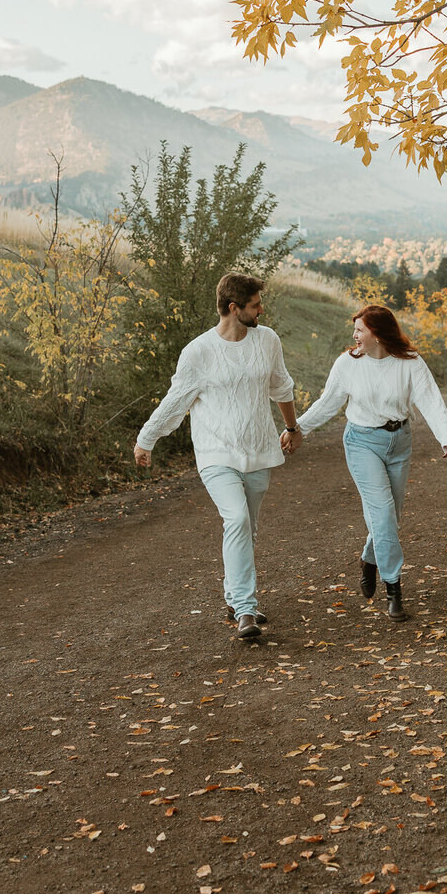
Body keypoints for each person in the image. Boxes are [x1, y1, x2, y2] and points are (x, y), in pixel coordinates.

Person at [134, 273, 301, 642]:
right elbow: (175, 401)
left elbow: (281, 386)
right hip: (215, 453)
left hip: (258, 450)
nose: (261, 309)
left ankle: (232, 595)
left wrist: (292, 428)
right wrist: (146, 439)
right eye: (256, 304)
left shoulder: (267, 340)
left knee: (246, 528)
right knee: (237, 518)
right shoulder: (199, 352)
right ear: (233, 308)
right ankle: (244, 608)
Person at [291, 304, 447, 620]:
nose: (354, 336)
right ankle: (394, 588)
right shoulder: (348, 364)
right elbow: (328, 403)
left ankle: (370, 558)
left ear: (378, 334)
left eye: (359, 330)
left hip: (399, 442)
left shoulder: (410, 363)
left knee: (389, 517)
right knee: (382, 514)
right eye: (354, 330)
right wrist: (298, 429)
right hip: (362, 443)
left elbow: (431, 400)